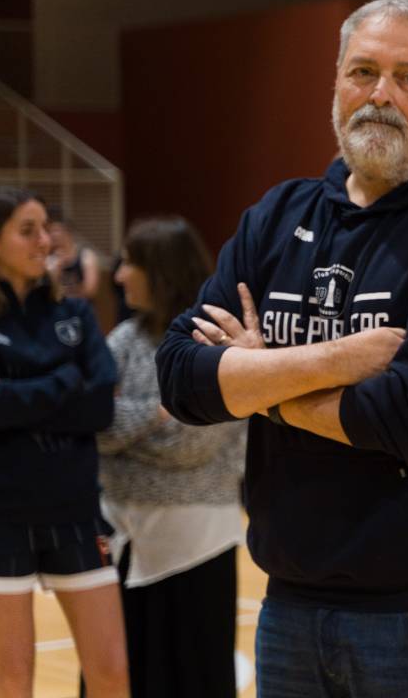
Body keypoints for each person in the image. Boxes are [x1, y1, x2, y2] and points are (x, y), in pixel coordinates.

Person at [155, 0, 408, 697]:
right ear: (335, 83)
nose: (380, 95)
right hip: (291, 607)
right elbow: (182, 379)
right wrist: (333, 363)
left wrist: (256, 383)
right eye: (363, 72)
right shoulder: (277, 215)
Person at [0, 187, 127, 697]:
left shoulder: (76, 314)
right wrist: (65, 382)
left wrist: (11, 395)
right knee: (13, 678)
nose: (46, 240)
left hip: (76, 510)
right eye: (28, 230)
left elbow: (101, 406)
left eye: (46, 227)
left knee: (110, 672)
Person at [98, 216, 247, 698]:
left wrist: (130, 427)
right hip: (123, 536)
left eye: (130, 263)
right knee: (121, 675)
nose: (118, 274)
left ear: (159, 271)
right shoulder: (122, 339)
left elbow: (192, 445)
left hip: (197, 543)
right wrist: (162, 411)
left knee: (192, 676)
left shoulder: (214, 340)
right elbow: (95, 427)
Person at [47, 210, 102, 302]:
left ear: (67, 232)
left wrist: (63, 292)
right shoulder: (49, 258)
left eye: (56, 230)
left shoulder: (86, 255)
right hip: (57, 309)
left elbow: (90, 290)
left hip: (82, 309)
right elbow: (48, 292)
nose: (52, 235)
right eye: (50, 231)